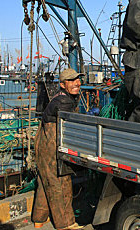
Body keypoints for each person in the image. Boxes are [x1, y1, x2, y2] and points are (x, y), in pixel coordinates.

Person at [32, 68, 84, 230]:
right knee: (60, 184)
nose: (77, 83)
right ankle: (66, 224)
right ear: (62, 84)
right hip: (51, 147)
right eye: (71, 80)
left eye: (77, 79)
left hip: (44, 145)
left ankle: (39, 219)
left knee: (45, 181)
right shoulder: (65, 102)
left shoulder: (59, 98)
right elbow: (72, 127)